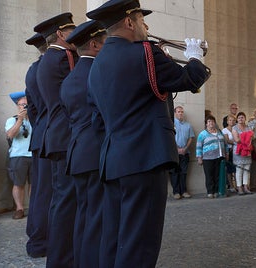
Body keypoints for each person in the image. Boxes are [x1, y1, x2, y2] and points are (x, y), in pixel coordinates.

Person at [86, 0, 211, 266]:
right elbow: (189, 79)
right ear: (130, 22)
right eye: (142, 20)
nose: (146, 26)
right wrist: (195, 58)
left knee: (115, 238)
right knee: (140, 242)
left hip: (112, 161)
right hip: (144, 158)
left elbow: (97, 120)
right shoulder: (144, 52)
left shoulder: (95, 65)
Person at [59, 20, 107, 267]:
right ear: (94, 44)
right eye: (105, 40)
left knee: (84, 215)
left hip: (77, 153)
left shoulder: (69, 79)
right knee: (99, 217)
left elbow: (70, 117)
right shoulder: (99, 73)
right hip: (97, 152)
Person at [33, 12, 78, 266]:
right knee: (65, 203)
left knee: (62, 202)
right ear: (61, 34)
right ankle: (61, 259)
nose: (76, 35)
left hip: (59, 135)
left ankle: (61, 256)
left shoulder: (49, 59)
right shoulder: (62, 58)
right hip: (65, 136)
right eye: (72, 31)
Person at [22, 32, 52, 258]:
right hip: (53, 137)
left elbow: (32, 109)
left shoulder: (33, 70)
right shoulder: (50, 68)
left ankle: (37, 239)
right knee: (48, 192)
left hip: (41, 135)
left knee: (41, 191)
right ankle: (42, 240)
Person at [5, 92, 33, 220]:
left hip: (34, 155)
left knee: (34, 184)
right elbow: (10, 135)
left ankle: (33, 208)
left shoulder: (35, 120)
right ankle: (19, 208)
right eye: (22, 105)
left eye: (27, 105)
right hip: (18, 156)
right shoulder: (12, 120)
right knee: (18, 184)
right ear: (18, 106)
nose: (25, 107)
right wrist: (20, 120)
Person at [196, 115, 225, 198]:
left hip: (219, 157)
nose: (211, 123)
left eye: (212, 121)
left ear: (215, 123)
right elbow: (198, 146)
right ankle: (210, 191)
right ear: (206, 124)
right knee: (209, 175)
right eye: (209, 121)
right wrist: (199, 158)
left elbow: (224, 143)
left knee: (217, 175)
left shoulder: (219, 131)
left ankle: (216, 191)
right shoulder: (203, 134)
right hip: (207, 158)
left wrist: (225, 153)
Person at [170, 106, 195, 199]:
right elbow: (169, 138)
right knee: (174, 173)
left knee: (183, 173)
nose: (180, 113)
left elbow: (191, 137)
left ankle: (184, 191)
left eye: (182, 112)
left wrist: (185, 148)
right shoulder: (171, 124)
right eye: (179, 111)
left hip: (185, 152)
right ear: (175, 113)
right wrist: (176, 149)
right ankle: (176, 192)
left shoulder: (188, 125)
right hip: (174, 153)